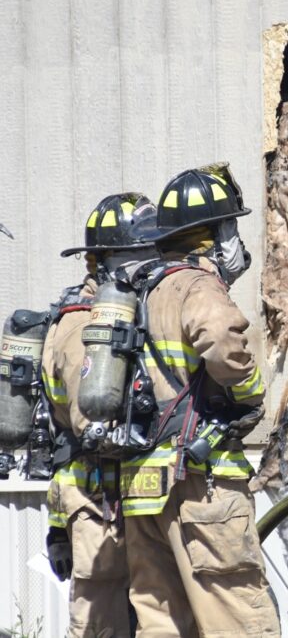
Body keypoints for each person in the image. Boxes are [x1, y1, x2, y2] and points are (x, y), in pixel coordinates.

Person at [120, 164, 280, 636]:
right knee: (238, 616)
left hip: (141, 486)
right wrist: (250, 395)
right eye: (232, 226)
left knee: (161, 622)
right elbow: (220, 340)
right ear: (212, 233)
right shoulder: (197, 283)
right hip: (201, 482)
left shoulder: (141, 289)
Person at [42, 193, 160, 637]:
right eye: (143, 255)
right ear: (108, 261)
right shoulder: (82, 324)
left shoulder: (134, 315)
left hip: (134, 501)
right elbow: (84, 424)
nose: (152, 265)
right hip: (96, 506)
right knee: (104, 627)